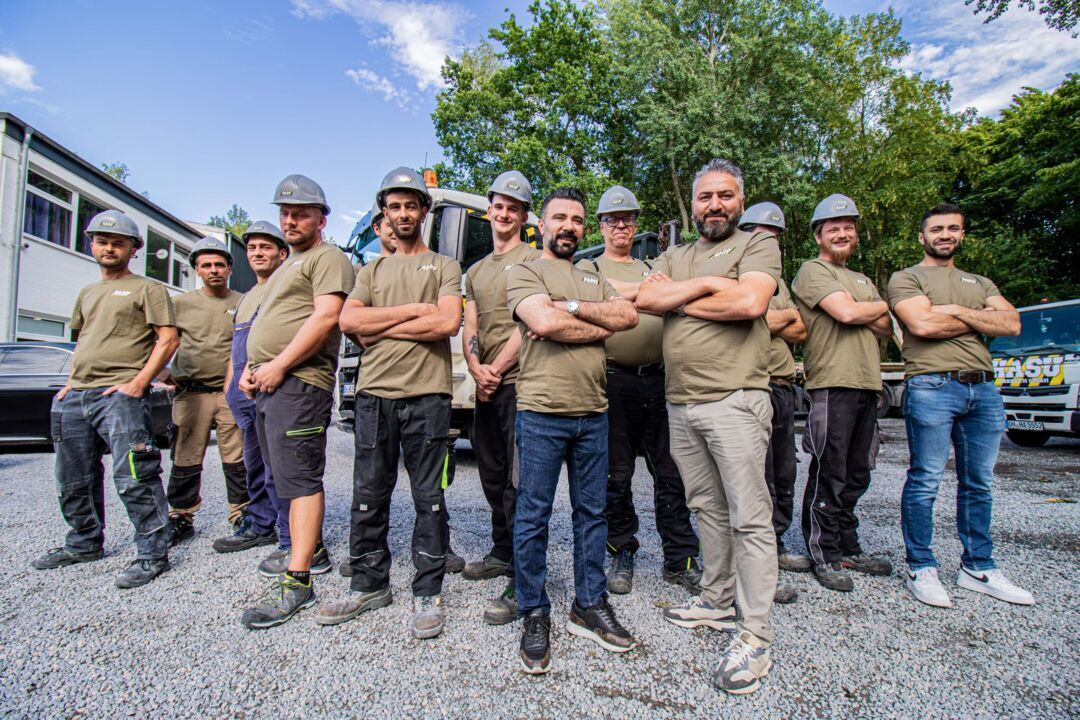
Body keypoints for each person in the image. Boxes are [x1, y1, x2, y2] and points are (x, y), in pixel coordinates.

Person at [636, 159, 782, 695]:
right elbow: (648, 298)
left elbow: (750, 302)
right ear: (691, 205)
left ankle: (755, 633)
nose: (714, 205)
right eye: (705, 197)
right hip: (682, 403)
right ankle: (718, 599)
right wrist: (711, 286)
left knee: (749, 515)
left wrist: (686, 293)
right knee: (706, 507)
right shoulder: (674, 254)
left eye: (724, 196)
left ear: (739, 202)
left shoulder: (758, 246)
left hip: (736, 399)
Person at [320, 167, 463, 640]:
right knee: (368, 494)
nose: (403, 214)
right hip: (373, 396)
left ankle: (428, 591)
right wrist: (415, 311)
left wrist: (378, 327)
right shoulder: (370, 270)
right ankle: (368, 584)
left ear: (424, 210)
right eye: (395, 206)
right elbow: (347, 321)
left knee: (429, 499)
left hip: (428, 396)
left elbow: (446, 324)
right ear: (386, 212)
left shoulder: (443, 266)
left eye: (411, 205)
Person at [508, 187, 639, 675]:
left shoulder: (592, 274)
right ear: (541, 225)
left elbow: (626, 317)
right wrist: (581, 317)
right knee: (533, 516)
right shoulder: (524, 270)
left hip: (594, 412)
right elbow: (540, 320)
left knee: (592, 514)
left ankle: (589, 603)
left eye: (577, 220)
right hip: (541, 412)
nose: (568, 226)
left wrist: (574, 308)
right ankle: (533, 609)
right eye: (559, 217)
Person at [888, 203, 1034, 608]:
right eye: (937, 229)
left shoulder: (978, 280)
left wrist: (951, 309)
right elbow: (921, 325)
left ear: (962, 235)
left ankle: (979, 566)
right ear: (923, 236)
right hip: (932, 384)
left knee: (979, 482)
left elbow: (1013, 323)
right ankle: (921, 566)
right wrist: (978, 317)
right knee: (925, 479)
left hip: (983, 389)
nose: (945, 234)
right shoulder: (907, 277)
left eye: (953, 228)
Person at [32, 209, 177, 589]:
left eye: (118, 243)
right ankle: (83, 543)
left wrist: (140, 382)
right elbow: (83, 341)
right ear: (91, 244)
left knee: (134, 475)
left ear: (133, 249)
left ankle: (151, 554)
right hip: (76, 395)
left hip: (120, 396)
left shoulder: (148, 289)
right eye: (102, 240)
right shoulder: (86, 292)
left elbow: (168, 339)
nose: (109, 247)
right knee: (72, 477)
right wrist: (69, 382)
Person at [239, 175, 354, 629]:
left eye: (301, 213)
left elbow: (327, 317)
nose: (290, 219)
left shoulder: (327, 258)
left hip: (300, 383)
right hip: (271, 381)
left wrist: (280, 364)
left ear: (321, 219)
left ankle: (299, 578)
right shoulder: (290, 264)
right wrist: (254, 369)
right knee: (282, 475)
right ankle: (315, 549)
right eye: (285, 212)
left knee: (302, 478)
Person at [575, 185, 701, 597]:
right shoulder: (589, 270)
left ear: (636, 224)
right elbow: (603, 298)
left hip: (661, 380)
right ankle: (621, 549)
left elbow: (668, 298)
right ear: (601, 225)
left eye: (628, 218)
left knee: (671, 472)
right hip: (613, 381)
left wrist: (649, 292)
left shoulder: (654, 269)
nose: (621, 226)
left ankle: (679, 557)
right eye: (612, 220)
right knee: (616, 475)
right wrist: (650, 297)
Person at [792, 194, 894, 594]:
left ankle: (848, 546)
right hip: (832, 384)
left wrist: (864, 306)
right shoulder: (812, 271)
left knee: (858, 472)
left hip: (869, 383)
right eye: (833, 227)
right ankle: (822, 551)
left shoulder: (862, 281)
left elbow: (885, 328)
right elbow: (850, 315)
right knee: (829, 471)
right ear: (819, 234)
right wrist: (877, 305)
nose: (842, 232)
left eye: (848, 227)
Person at [461, 170, 541, 625]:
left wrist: (496, 369)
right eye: (499, 205)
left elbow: (527, 323)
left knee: (518, 482)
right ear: (488, 209)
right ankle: (500, 547)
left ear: (524, 216)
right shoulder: (476, 270)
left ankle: (522, 569)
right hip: (485, 385)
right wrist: (476, 368)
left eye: (514, 206)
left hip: (520, 384)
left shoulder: (535, 261)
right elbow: (471, 324)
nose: (504, 212)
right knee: (491, 475)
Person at [213, 222, 297, 567]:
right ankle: (260, 522)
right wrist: (228, 389)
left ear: (282, 253)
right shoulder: (246, 297)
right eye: (252, 248)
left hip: (267, 388)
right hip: (241, 394)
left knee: (280, 467)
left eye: (266, 247)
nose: (258, 253)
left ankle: (289, 534)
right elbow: (238, 347)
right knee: (253, 465)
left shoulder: (284, 286)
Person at [738, 202, 809, 605]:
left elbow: (800, 327)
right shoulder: (735, 273)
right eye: (757, 231)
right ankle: (753, 560)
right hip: (750, 385)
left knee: (783, 472)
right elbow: (739, 315)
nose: (765, 238)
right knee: (753, 478)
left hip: (782, 386)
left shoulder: (777, 284)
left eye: (772, 234)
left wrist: (761, 317)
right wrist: (759, 316)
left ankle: (776, 543)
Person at [163, 238, 245, 544]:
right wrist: (161, 370)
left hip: (229, 393)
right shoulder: (179, 304)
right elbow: (156, 339)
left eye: (219, 265)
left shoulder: (242, 302)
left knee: (237, 457)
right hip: (190, 393)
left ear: (229, 269)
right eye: (207, 265)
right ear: (197, 269)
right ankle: (181, 515)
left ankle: (241, 511)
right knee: (185, 457)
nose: (214, 270)